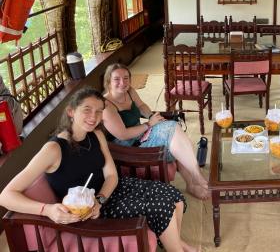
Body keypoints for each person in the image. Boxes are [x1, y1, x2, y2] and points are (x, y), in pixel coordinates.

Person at [0, 87, 199, 252]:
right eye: (87, 109)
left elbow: (111, 175)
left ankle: (173, 242)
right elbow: (5, 196)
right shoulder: (53, 149)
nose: (93, 117)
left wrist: (101, 198)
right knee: (162, 207)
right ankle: (176, 248)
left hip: (106, 195)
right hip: (87, 213)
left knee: (174, 196)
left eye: (98, 111)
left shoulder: (96, 135)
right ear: (71, 111)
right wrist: (48, 210)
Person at [101, 63, 209, 200]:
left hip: (141, 136)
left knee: (175, 132)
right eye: (117, 79)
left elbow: (141, 105)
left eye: (126, 78)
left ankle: (193, 182)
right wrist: (148, 124)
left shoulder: (130, 91)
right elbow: (122, 134)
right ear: (108, 81)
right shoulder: (106, 105)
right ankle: (196, 177)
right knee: (172, 133)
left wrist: (151, 116)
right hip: (128, 150)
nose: (122, 82)